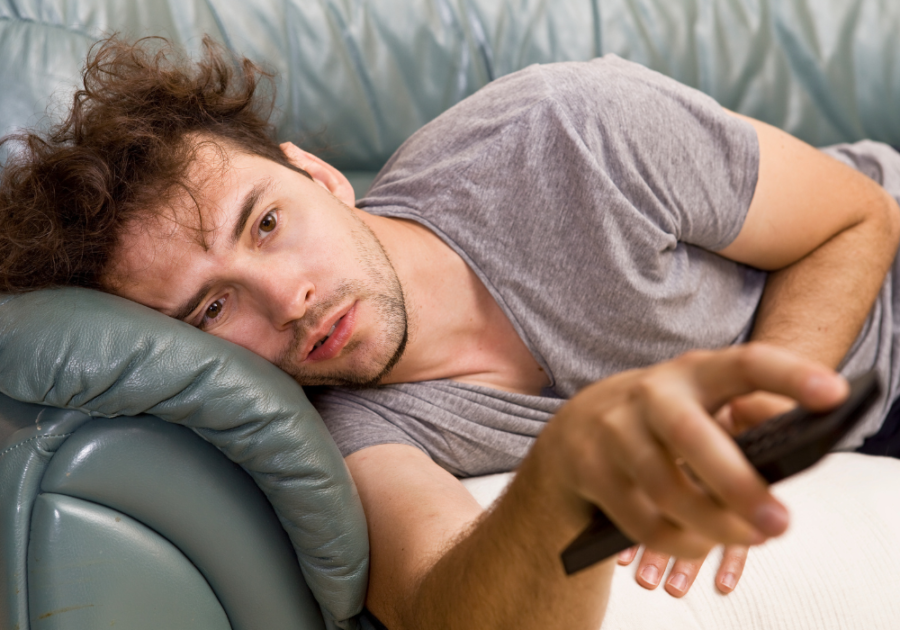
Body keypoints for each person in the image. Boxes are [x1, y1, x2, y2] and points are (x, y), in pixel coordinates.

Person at [2, 36, 899, 629]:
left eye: (265, 223)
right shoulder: (346, 434)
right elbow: (448, 608)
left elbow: (858, 218)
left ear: (316, 174)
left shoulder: (568, 132)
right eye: (212, 308)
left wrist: (751, 431)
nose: (290, 298)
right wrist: (567, 475)